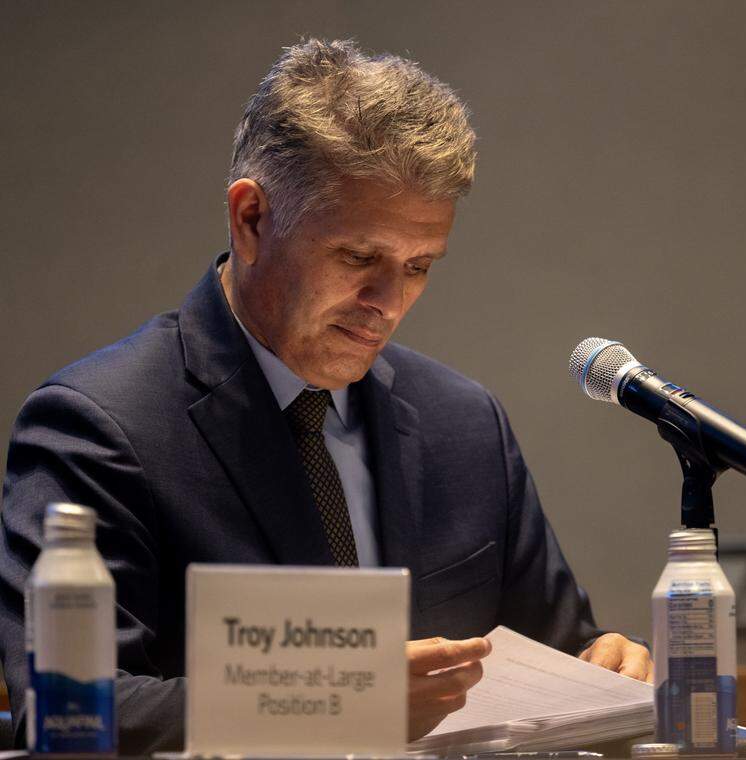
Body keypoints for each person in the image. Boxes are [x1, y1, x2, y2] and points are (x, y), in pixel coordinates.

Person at [0, 39, 650, 754]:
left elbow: (561, 650)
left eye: (418, 266)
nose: (387, 303)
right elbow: (67, 707)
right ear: (251, 220)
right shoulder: (98, 427)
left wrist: (607, 661)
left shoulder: (463, 424)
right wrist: (336, 704)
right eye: (358, 257)